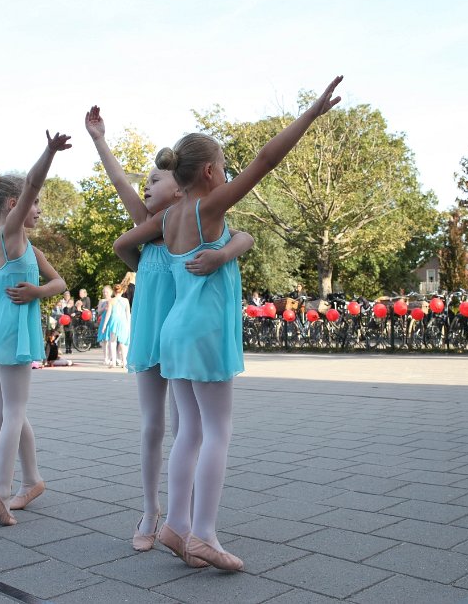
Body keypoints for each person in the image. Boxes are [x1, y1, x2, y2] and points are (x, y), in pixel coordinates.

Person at [115, 75, 342, 570]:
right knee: (217, 430)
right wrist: (310, 113)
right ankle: (204, 534)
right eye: (224, 168)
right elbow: (265, 160)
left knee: (190, 431)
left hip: (173, 331)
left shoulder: (170, 218)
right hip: (204, 330)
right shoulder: (206, 208)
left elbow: (138, 240)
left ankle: (175, 525)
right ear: (213, 172)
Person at [86, 105, 255, 552]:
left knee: (189, 428)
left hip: (179, 335)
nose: (148, 186)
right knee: (157, 427)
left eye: (156, 180)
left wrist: (226, 251)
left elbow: (241, 236)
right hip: (164, 333)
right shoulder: (152, 227)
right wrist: (100, 140)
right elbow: (120, 189)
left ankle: (187, 516)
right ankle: (152, 510)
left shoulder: (191, 217)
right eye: (147, 183)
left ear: (178, 185)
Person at [0, 131, 69, 527]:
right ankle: (0, 490)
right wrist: (50, 151)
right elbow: (34, 182)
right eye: (33, 202)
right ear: (14, 204)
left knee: (2, 413)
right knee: (13, 412)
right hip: (13, 336)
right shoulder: (12, 235)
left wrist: (30, 290)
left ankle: (3, 482)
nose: (37, 207)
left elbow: (57, 283)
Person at [101, 283, 131, 368]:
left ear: (114, 291)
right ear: (122, 291)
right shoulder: (125, 300)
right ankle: (124, 361)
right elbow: (128, 314)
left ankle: (113, 362)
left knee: (112, 341)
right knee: (122, 342)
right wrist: (129, 325)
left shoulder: (111, 300)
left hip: (114, 320)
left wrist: (104, 325)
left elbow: (108, 313)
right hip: (123, 321)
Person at [95, 285, 113, 365]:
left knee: (111, 341)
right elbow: (99, 312)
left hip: (111, 321)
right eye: (104, 292)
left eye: (107, 292)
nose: (105, 293)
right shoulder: (101, 301)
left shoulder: (113, 300)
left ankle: (112, 357)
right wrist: (104, 308)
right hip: (103, 321)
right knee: (105, 341)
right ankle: (105, 358)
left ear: (111, 292)